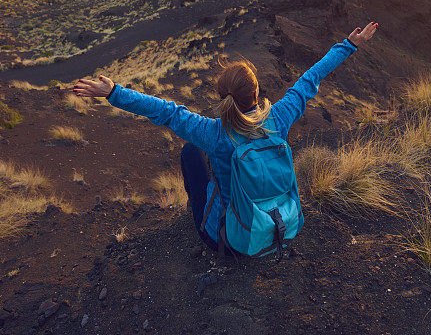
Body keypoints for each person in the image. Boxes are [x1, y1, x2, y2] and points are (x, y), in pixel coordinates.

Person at [71, 21, 378, 253]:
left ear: (223, 97)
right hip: (281, 226)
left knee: (192, 152)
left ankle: (198, 215)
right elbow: (310, 79)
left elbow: (165, 111)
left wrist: (113, 92)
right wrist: (349, 44)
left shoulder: (215, 133)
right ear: (257, 93)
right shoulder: (279, 118)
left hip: (231, 239)